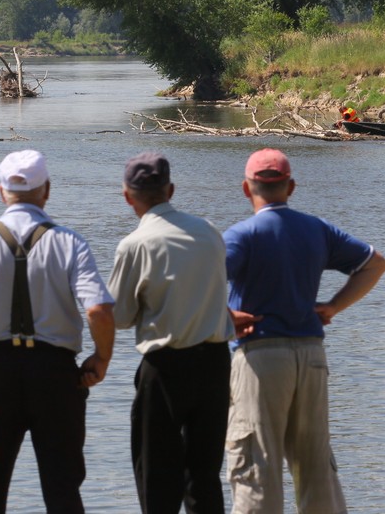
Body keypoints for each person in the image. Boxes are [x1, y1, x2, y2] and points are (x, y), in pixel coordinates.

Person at [0, 150, 116, 514]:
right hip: (56, 374)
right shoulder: (70, 242)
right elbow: (99, 310)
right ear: (46, 190)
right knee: (62, 492)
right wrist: (102, 357)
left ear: (2, 192)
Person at [224, 148, 385, 513]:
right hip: (312, 355)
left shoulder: (240, 235)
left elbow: (196, 285)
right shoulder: (317, 229)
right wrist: (333, 306)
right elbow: (375, 265)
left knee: (256, 463)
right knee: (315, 465)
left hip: (260, 356)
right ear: (291, 186)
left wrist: (225, 318)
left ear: (245, 188)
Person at [107, 152, 235, 514]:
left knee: (157, 475)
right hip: (214, 363)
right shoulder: (209, 231)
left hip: (165, 368)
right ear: (171, 189)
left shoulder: (134, 244)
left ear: (127, 196)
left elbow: (118, 316)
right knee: (205, 475)